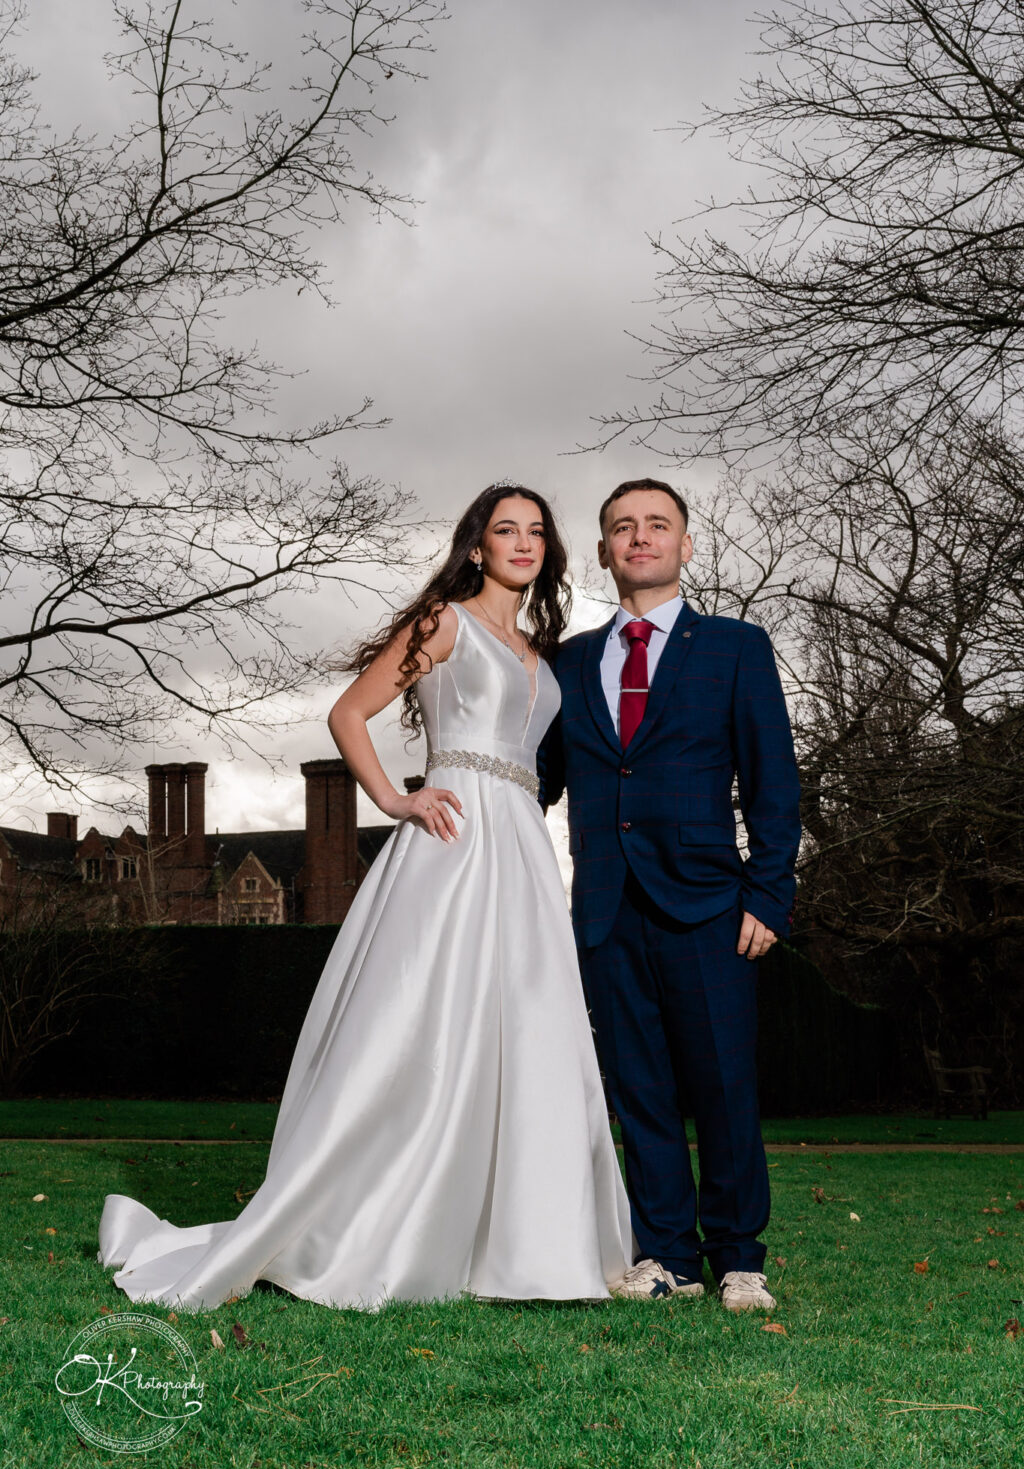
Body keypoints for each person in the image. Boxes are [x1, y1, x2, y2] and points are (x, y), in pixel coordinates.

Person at [97, 482, 633, 1312]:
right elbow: (350, 713)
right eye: (504, 530)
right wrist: (394, 799)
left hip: (524, 845)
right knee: (427, 1026)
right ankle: (385, 1226)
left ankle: (520, 1243)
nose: (522, 542)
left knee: (530, 1029)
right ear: (476, 545)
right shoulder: (443, 622)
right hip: (453, 841)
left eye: (535, 531)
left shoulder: (538, 650)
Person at [536, 478, 801, 1311]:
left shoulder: (735, 648)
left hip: (711, 904)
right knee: (638, 1089)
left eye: (657, 526)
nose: (639, 538)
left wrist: (769, 892)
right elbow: (533, 781)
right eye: (622, 527)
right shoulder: (568, 664)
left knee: (723, 1085)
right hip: (607, 909)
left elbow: (773, 781)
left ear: (685, 545)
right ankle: (666, 1256)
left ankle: (737, 1257)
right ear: (606, 549)